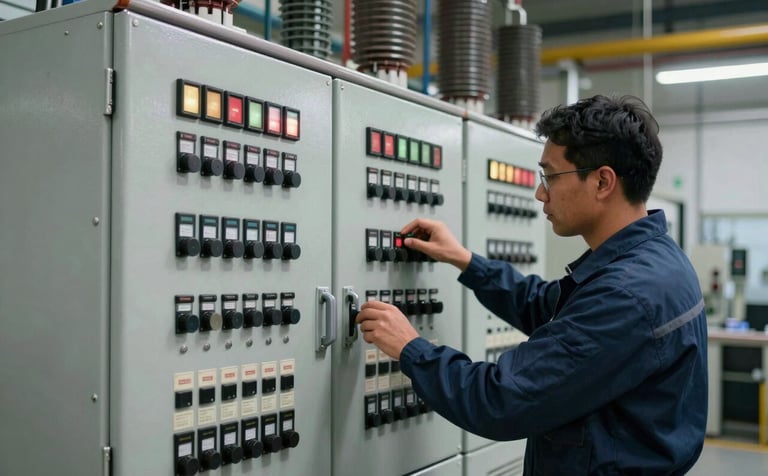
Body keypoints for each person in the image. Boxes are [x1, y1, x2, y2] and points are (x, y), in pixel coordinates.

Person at [355, 94, 707, 475]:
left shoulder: (627, 293)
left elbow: (500, 400)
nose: (541, 193)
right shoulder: (654, 261)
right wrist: (465, 259)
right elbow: (546, 305)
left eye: (551, 176)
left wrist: (411, 347)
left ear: (603, 181)